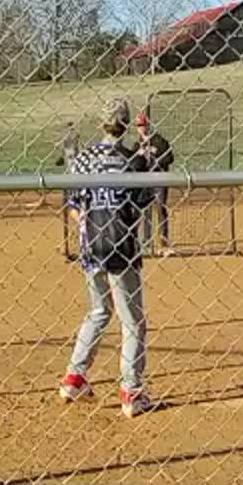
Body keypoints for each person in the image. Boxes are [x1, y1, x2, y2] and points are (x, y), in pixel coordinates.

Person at [57, 97, 154, 417]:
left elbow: (73, 206)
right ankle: (131, 391)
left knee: (99, 310)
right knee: (133, 322)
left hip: (90, 246)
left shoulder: (83, 159)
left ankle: (74, 377)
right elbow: (140, 207)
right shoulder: (130, 160)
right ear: (125, 125)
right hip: (121, 247)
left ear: (101, 124)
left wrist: (89, 226)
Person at [135, 113, 175, 256]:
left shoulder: (159, 141)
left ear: (148, 125)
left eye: (143, 125)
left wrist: (157, 160)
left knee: (160, 209)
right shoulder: (137, 144)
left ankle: (163, 243)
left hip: (159, 179)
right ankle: (146, 242)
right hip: (145, 181)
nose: (141, 128)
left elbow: (170, 158)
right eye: (139, 125)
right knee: (144, 211)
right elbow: (134, 163)